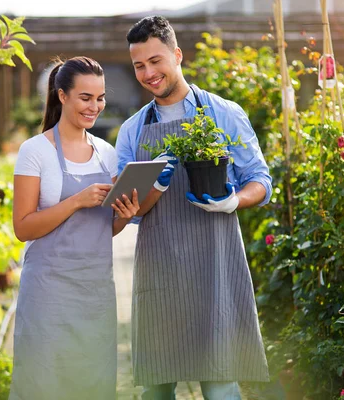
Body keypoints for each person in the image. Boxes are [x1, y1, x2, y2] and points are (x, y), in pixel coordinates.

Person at [115, 16, 272, 400]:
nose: (149, 73)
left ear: (178, 55)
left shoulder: (223, 113)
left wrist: (234, 200)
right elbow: (125, 210)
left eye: (156, 60)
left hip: (215, 267)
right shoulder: (133, 130)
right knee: (156, 389)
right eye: (139, 65)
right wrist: (152, 186)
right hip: (160, 272)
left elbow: (261, 181)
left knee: (220, 387)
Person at [9, 56, 139, 400]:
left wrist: (124, 216)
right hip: (48, 293)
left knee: (93, 384)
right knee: (43, 382)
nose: (94, 106)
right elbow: (23, 228)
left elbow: (102, 229)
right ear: (62, 95)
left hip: (95, 292)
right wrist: (76, 201)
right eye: (85, 97)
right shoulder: (35, 151)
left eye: (100, 98)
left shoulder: (107, 154)